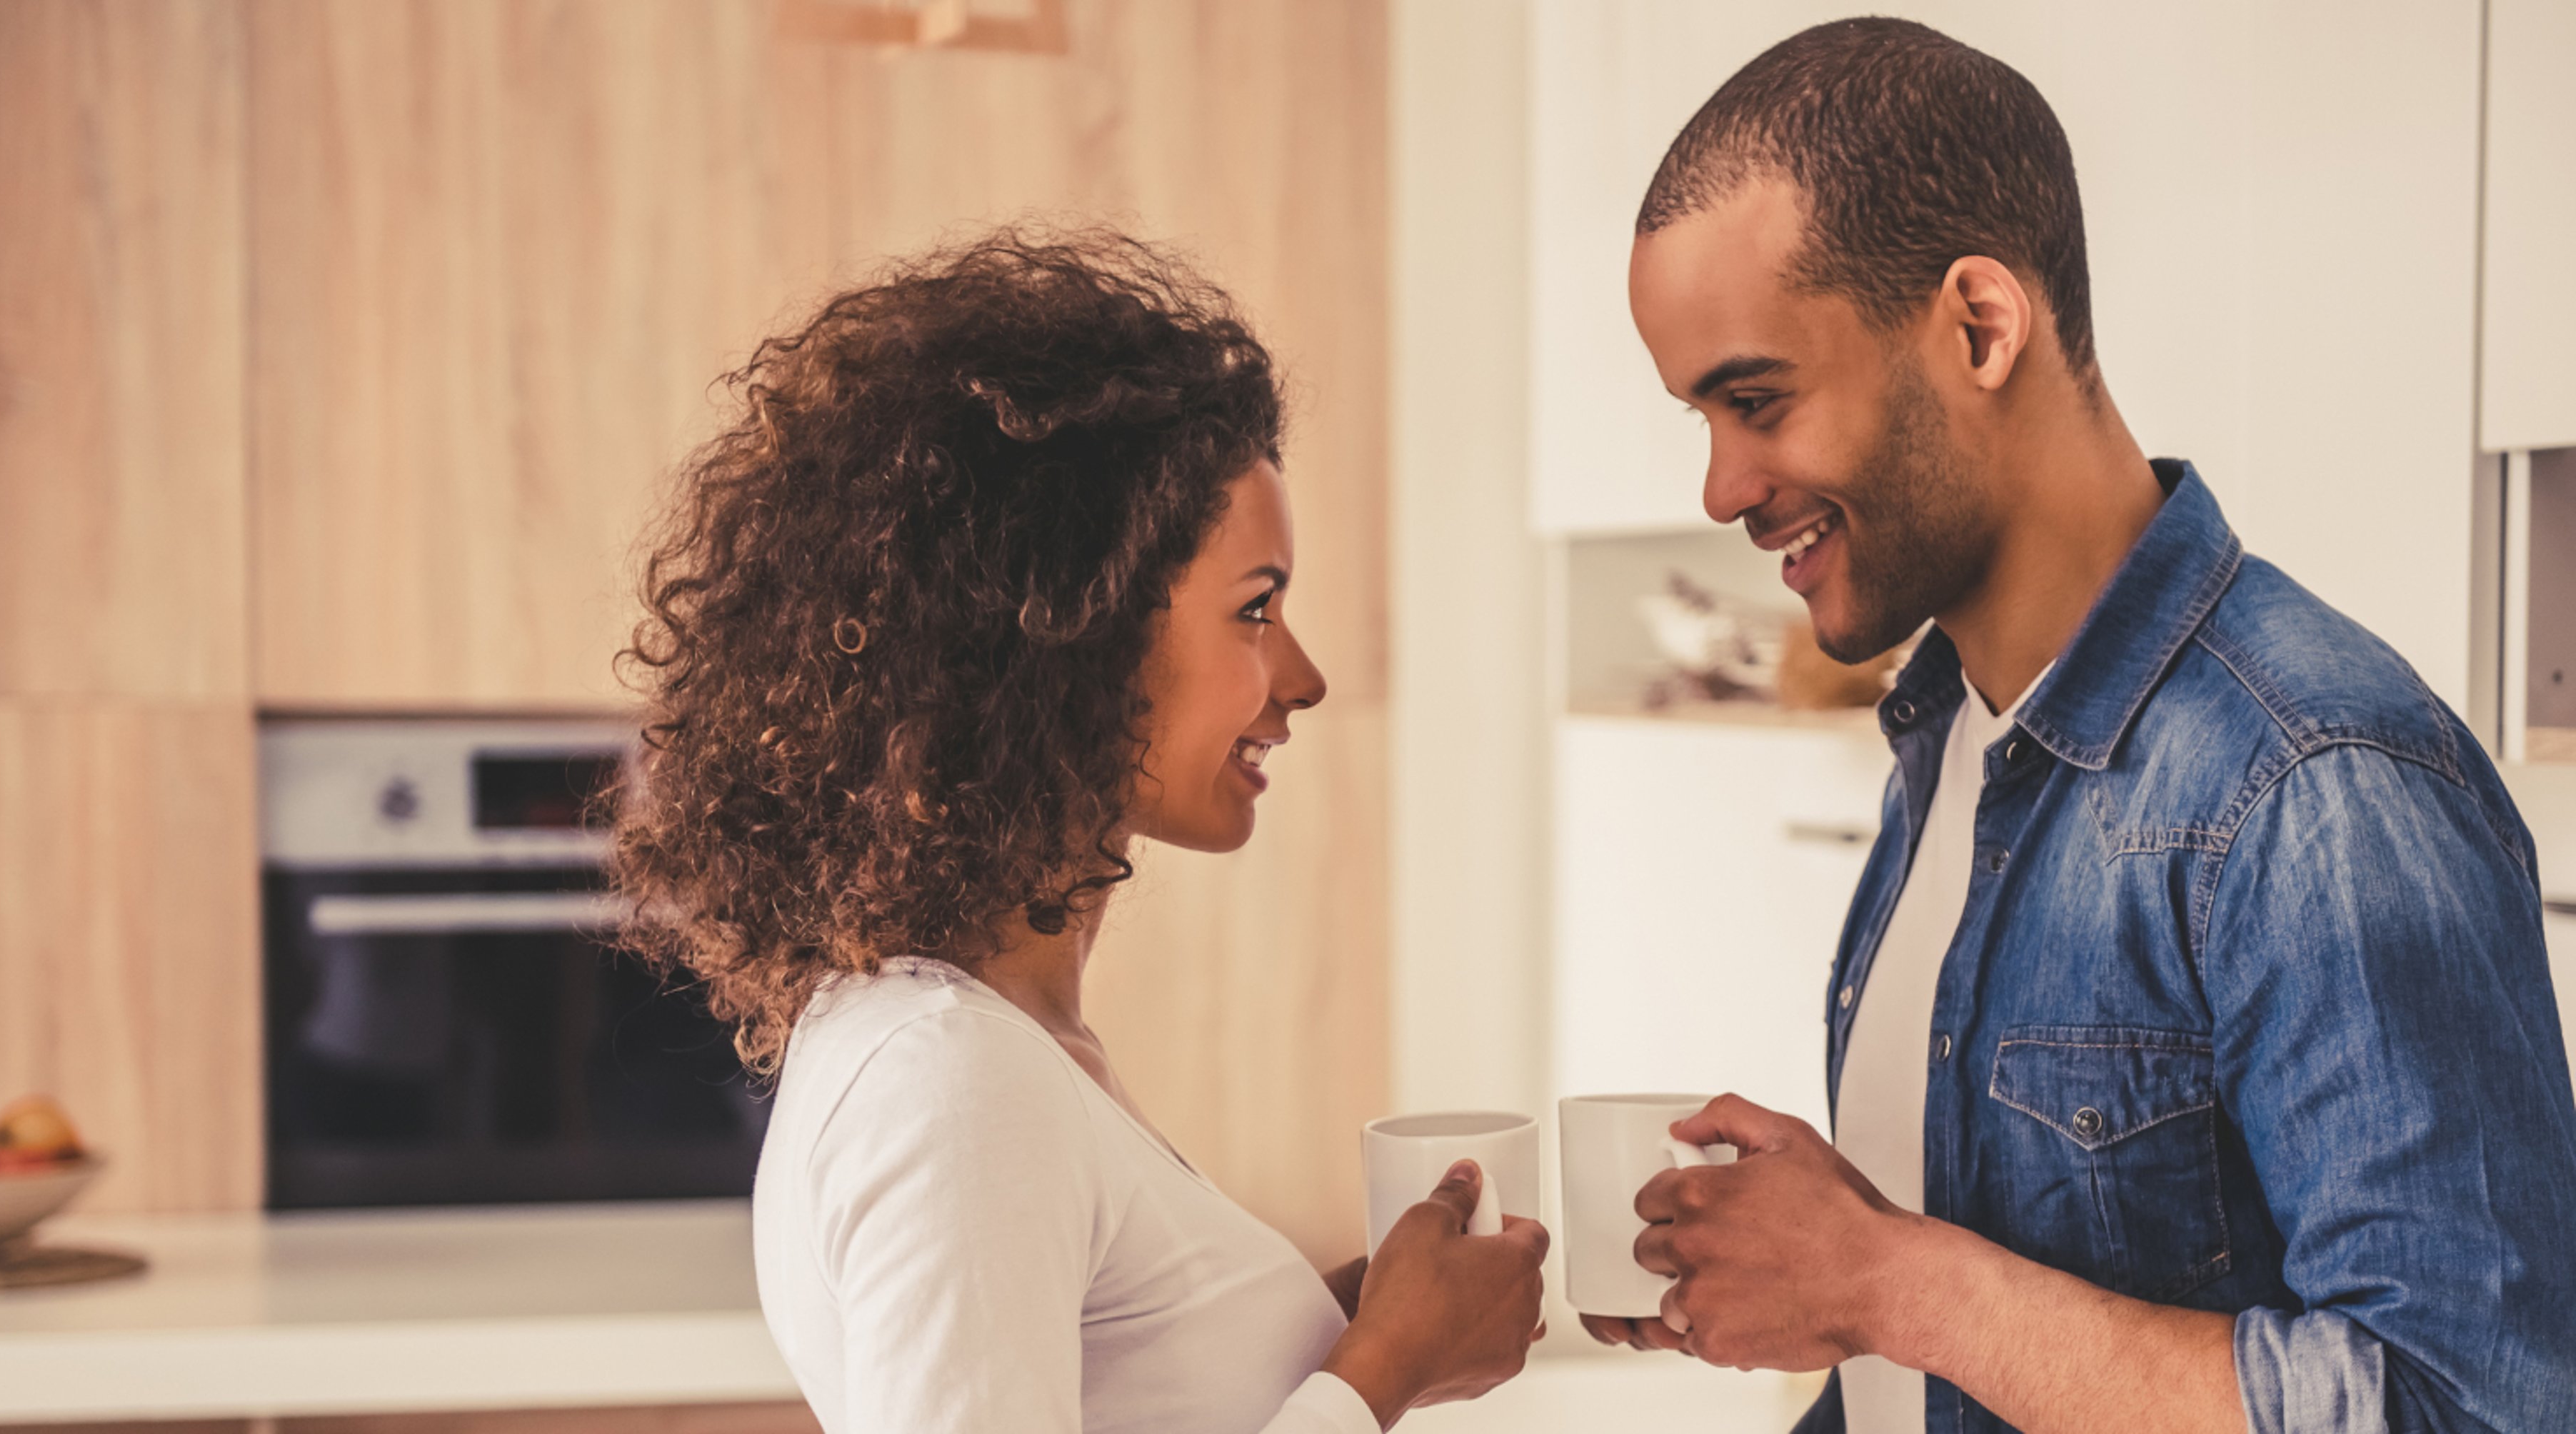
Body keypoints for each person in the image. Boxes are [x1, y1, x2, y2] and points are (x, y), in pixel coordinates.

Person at [1595, 18, 2576, 1434]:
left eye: (1757, 399)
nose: (1721, 484)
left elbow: (2470, 1404)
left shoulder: (2317, 779)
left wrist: (1890, 1281)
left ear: (1980, 326)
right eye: (1703, 415)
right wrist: (1830, 1289)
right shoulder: (1945, 740)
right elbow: (1952, 1372)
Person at [611, 228, 1548, 1434]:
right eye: (1256, 610)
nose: (1304, 678)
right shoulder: (948, 1081)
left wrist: (1349, 1335)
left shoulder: (998, 1045)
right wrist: (1381, 1380)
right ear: (1066, 638)